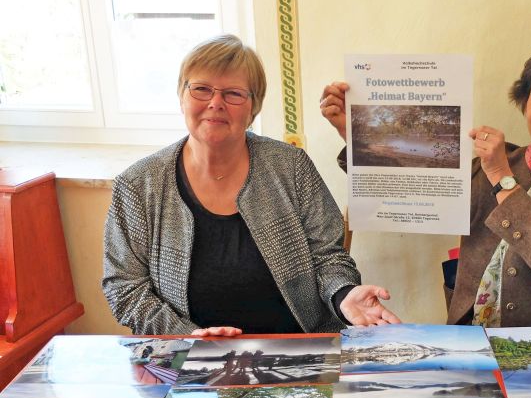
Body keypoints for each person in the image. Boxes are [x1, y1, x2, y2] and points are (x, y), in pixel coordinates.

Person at [320, 40, 531, 327]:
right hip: (472, 333)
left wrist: (500, 174)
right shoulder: (495, 162)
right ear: (526, 106)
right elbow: (412, 187)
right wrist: (358, 136)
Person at [103, 35, 399, 336]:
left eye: (233, 94)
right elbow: (125, 287)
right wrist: (185, 337)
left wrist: (343, 294)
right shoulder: (138, 184)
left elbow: (328, 255)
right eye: (201, 89)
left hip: (298, 349)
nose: (215, 103)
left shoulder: (291, 166)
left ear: (253, 108)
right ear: (182, 97)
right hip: (185, 357)